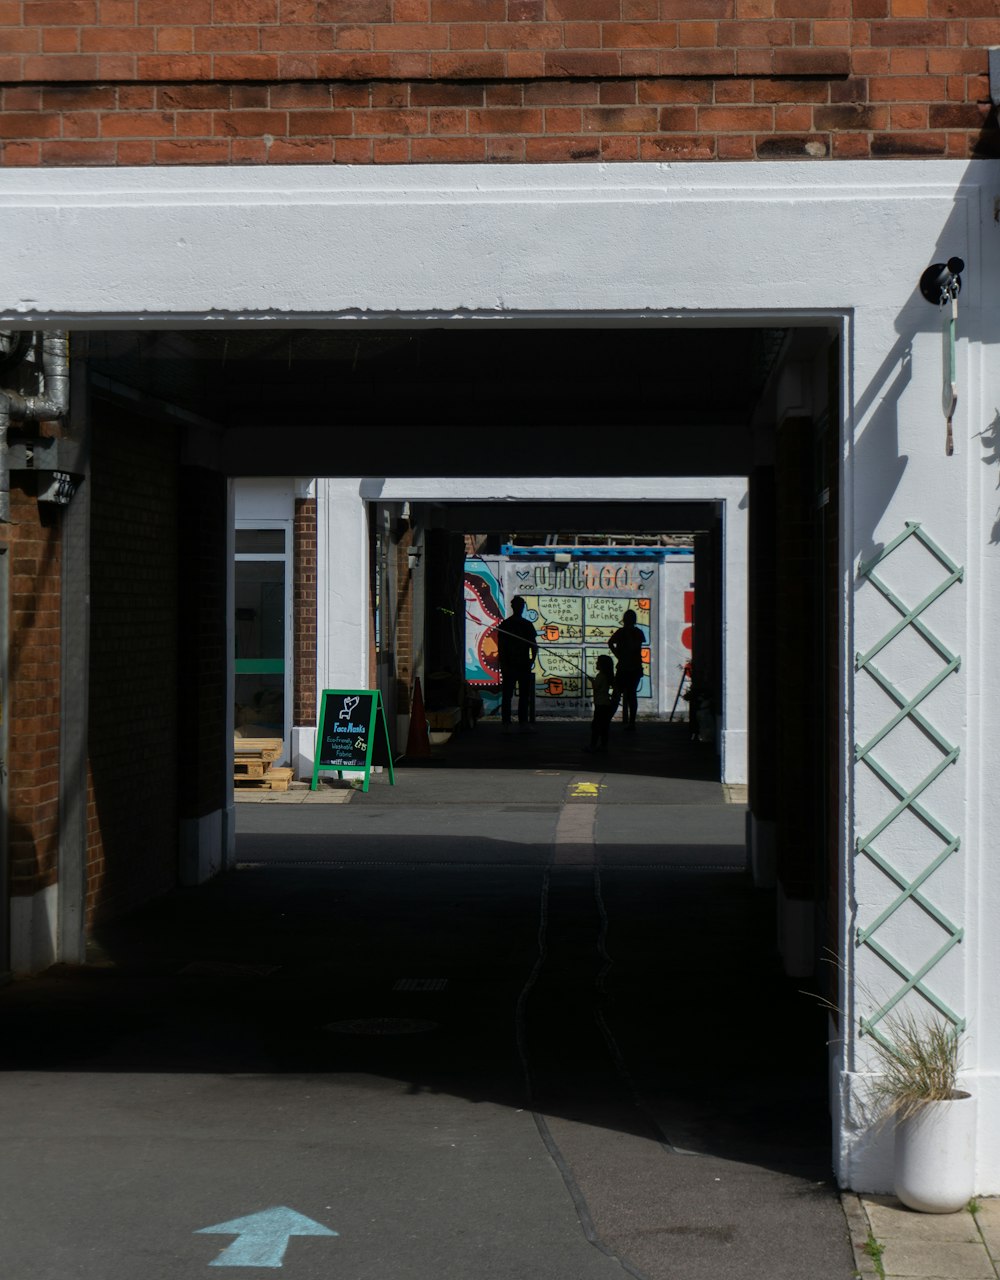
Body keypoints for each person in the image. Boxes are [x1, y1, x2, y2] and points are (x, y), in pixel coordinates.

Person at [496, 595, 538, 731]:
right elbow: (534, 646)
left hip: (516, 664)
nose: (519, 608)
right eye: (519, 605)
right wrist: (532, 660)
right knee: (514, 695)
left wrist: (531, 660)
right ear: (518, 607)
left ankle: (512, 723)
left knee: (512, 695)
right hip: (516, 664)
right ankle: (516, 723)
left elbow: (533, 645)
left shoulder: (507, 625)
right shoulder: (520, 625)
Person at [608, 607, 645, 730]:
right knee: (631, 695)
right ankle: (631, 722)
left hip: (625, 668)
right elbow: (636, 646)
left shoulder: (621, 632)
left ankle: (608, 720)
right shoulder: (637, 632)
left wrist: (618, 654)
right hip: (633, 668)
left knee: (617, 694)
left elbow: (610, 642)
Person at [585, 653, 615, 752]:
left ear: (602, 665)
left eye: (598, 662)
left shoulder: (600, 676)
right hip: (605, 704)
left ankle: (593, 746)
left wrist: (592, 682)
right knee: (604, 726)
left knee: (596, 726)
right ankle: (603, 745)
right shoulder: (607, 676)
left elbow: (596, 687)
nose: (596, 663)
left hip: (600, 704)